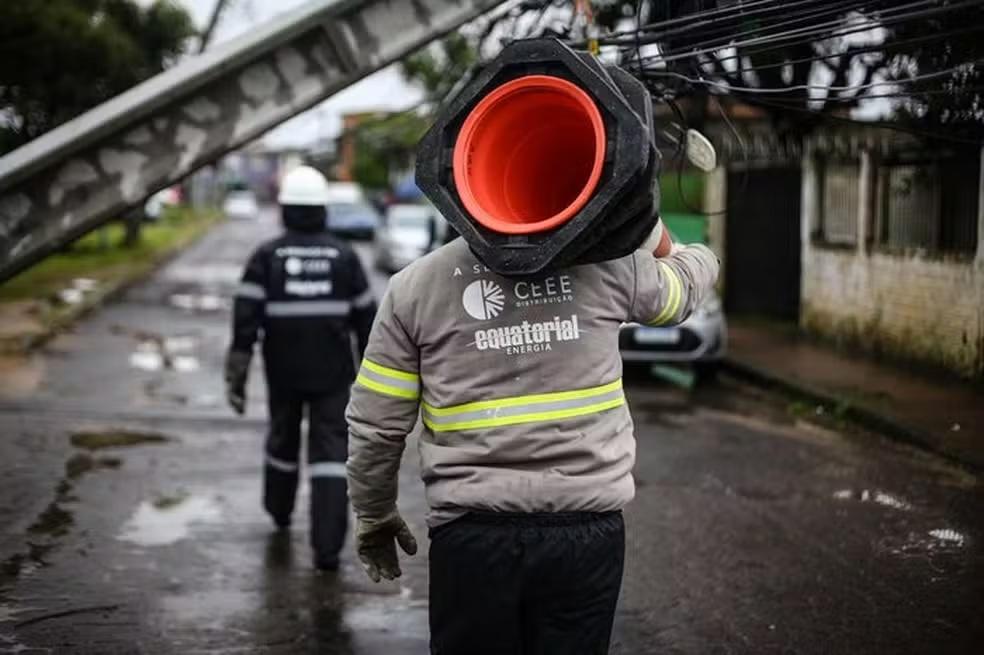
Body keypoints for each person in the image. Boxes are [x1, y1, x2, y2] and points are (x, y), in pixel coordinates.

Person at [345, 217, 719, 653]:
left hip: (471, 537)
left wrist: (374, 512)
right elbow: (683, 289)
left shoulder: (415, 287)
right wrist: (649, 225)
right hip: (586, 533)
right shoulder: (610, 265)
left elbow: (377, 424)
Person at [224, 165, 376, 571]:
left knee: (283, 442)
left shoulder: (268, 256)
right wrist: (374, 382)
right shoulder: (344, 257)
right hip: (333, 378)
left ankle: (279, 511)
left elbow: (245, 319)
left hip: (283, 375)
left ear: (285, 209)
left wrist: (236, 376)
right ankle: (327, 550)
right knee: (330, 456)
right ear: (322, 209)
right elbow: (368, 323)